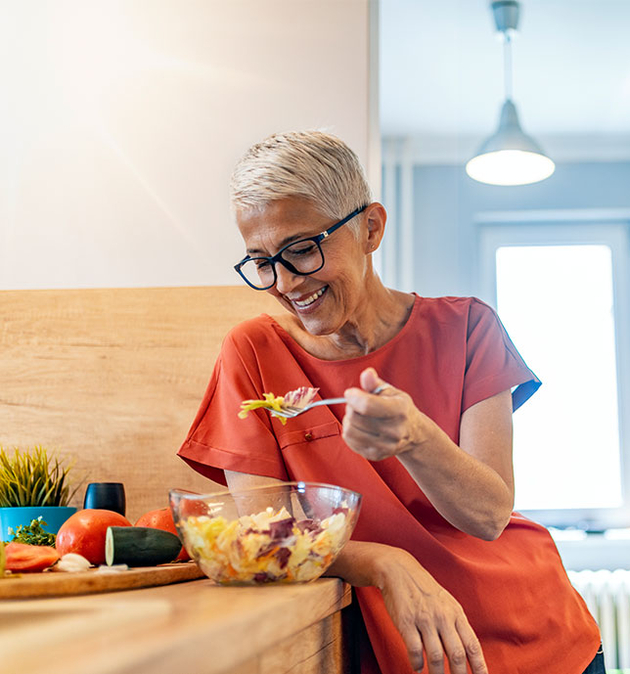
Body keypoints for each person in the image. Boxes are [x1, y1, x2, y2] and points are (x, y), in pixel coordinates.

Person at [177, 130, 604, 674]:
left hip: (541, 638)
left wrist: (416, 438)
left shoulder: (468, 328)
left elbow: (489, 515)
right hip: (407, 649)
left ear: (370, 228)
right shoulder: (253, 352)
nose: (284, 282)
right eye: (262, 261)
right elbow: (272, 534)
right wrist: (384, 563)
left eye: (302, 250)